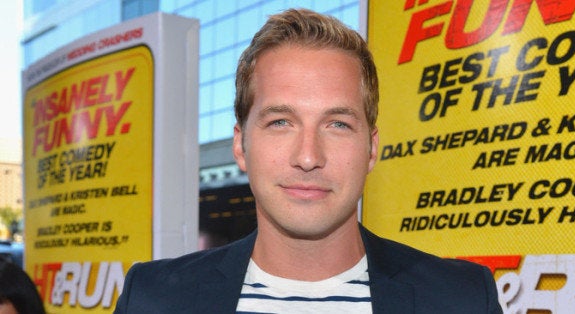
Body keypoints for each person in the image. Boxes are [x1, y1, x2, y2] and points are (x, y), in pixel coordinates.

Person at [114, 8, 503, 313]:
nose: (308, 157)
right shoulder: (151, 299)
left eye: (337, 123)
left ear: (370, 147)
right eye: (280, 122)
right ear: (240, 145)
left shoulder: (464, 298)